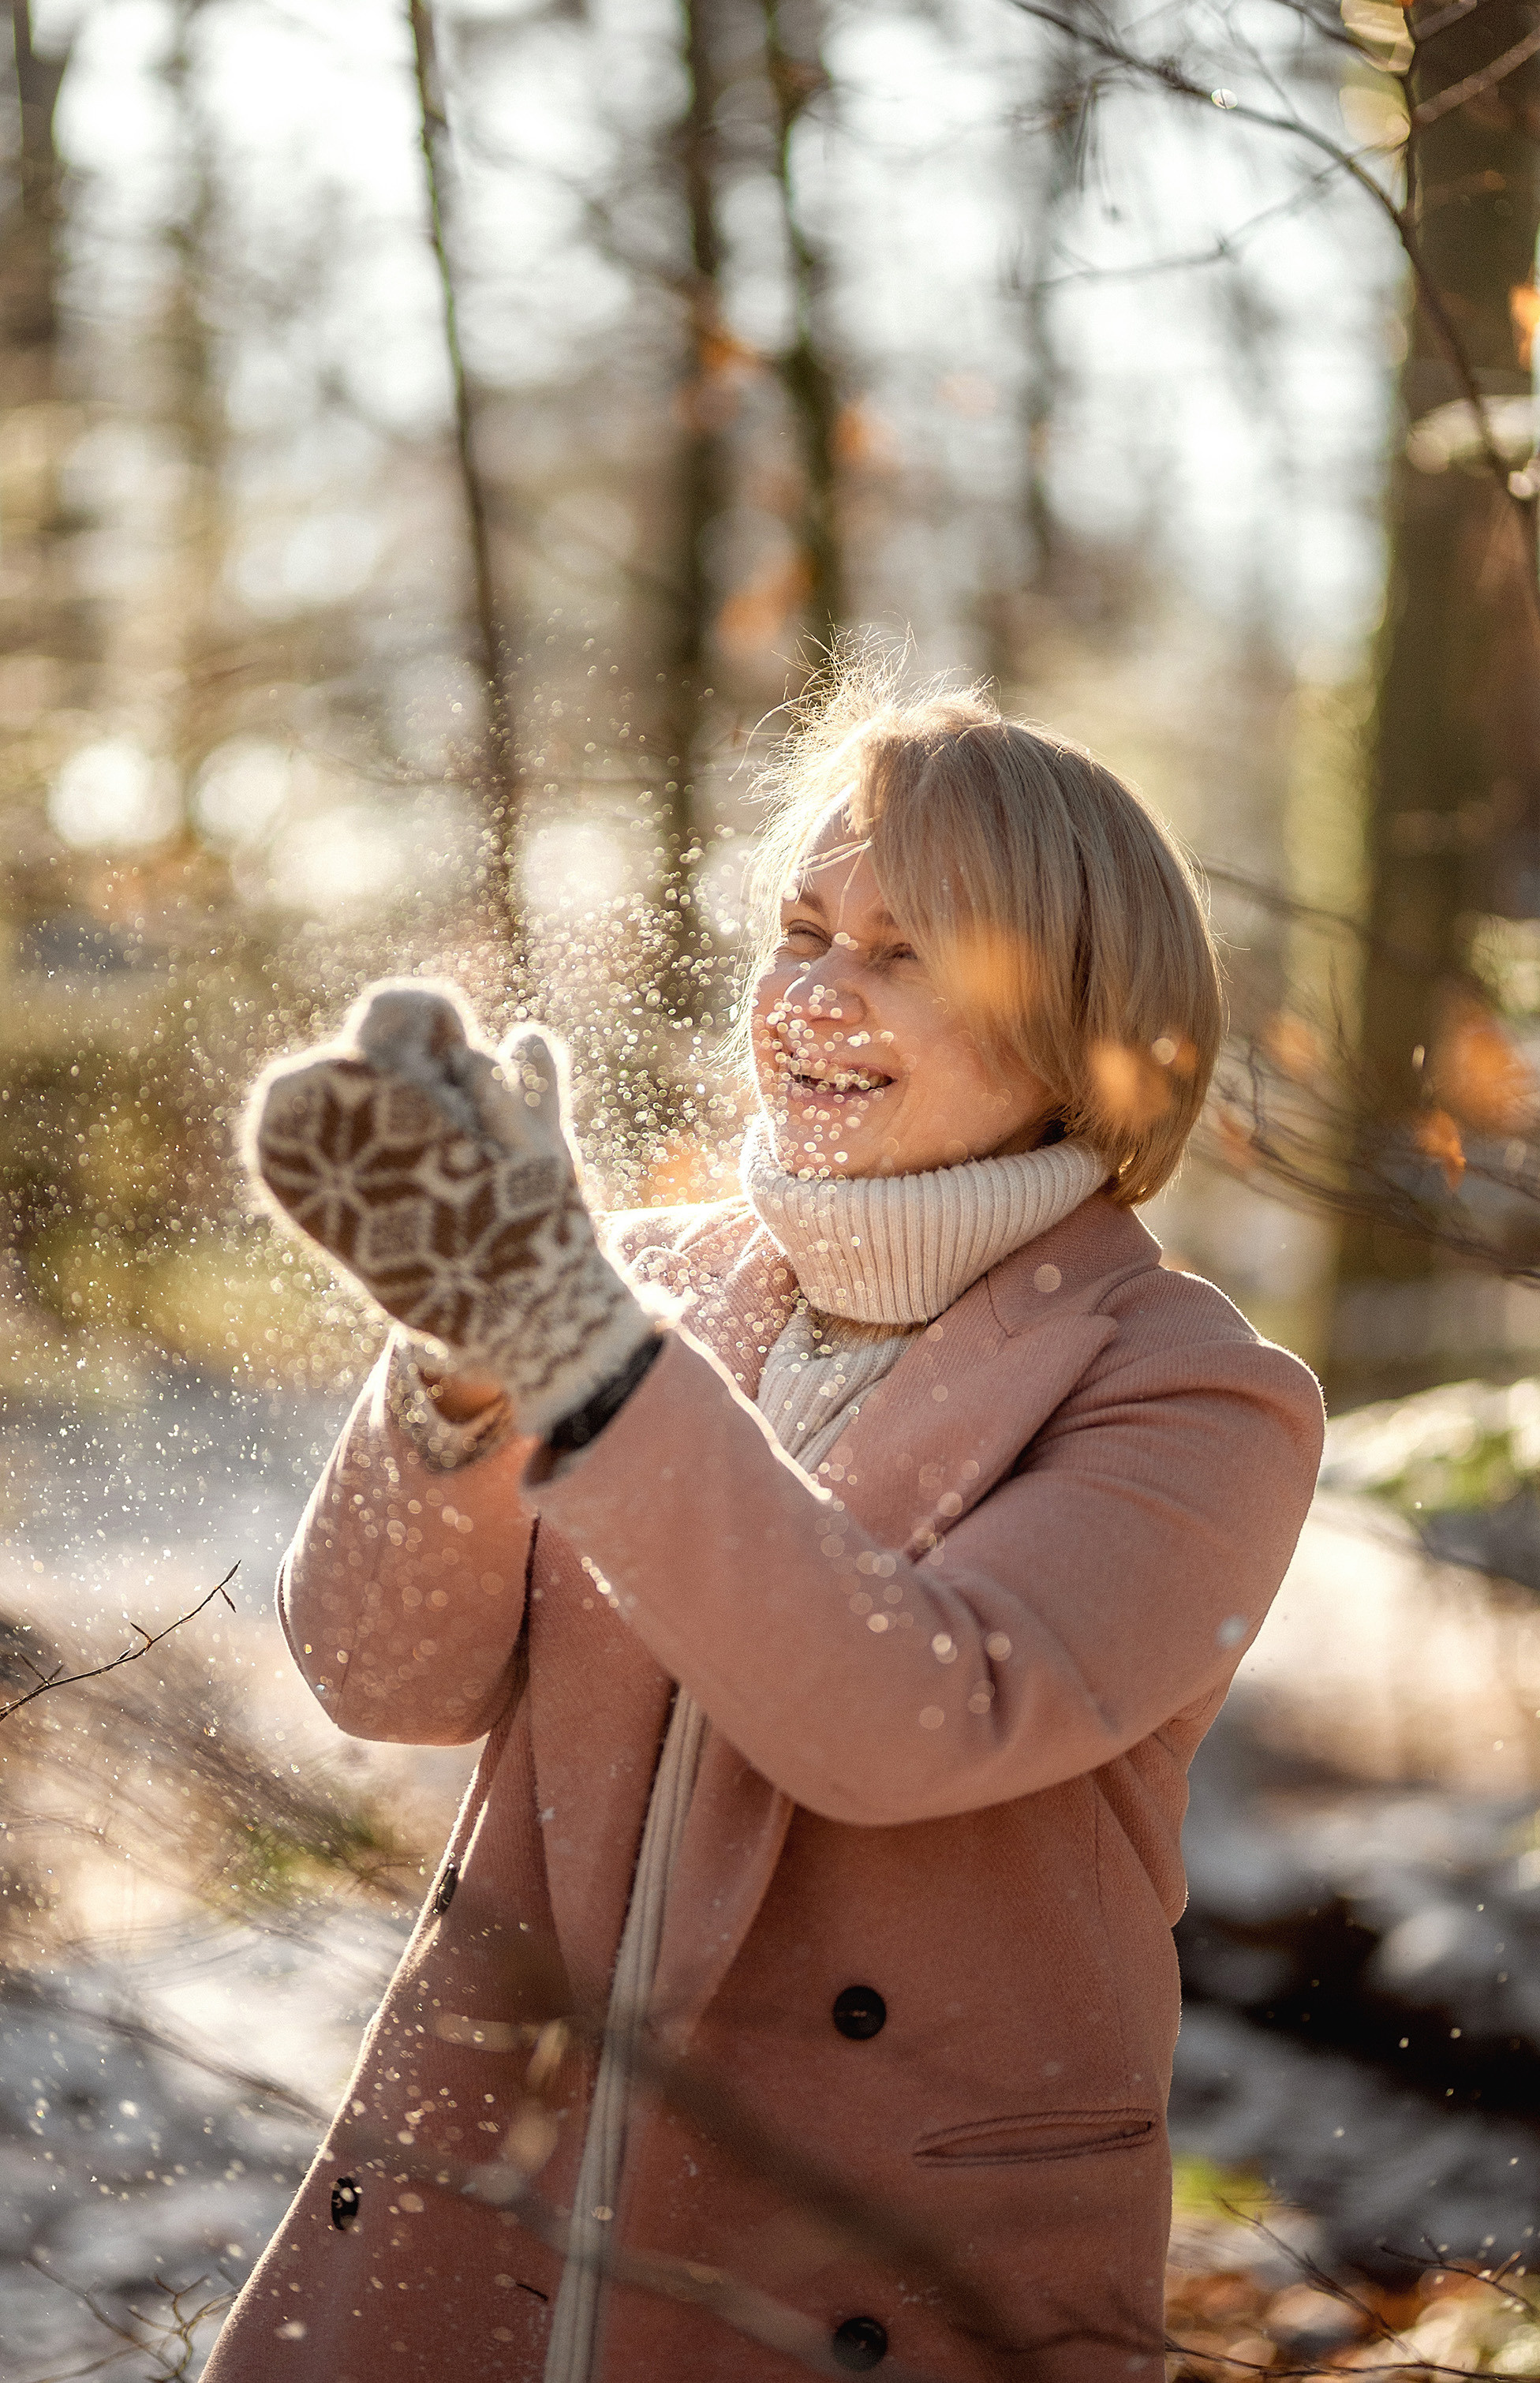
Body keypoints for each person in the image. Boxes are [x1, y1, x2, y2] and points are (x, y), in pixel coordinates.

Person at [204, 676, 1324, 2383]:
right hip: (495, 2201)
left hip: (872, 2273)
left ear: (1081, 1025)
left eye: (905, 951)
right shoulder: (636, 1287)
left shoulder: (1193, 1398)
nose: (813, 989)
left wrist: (566, 1338)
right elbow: (380, 1675)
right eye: (803, 926)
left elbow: (899, 1714)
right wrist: (456, 1360)